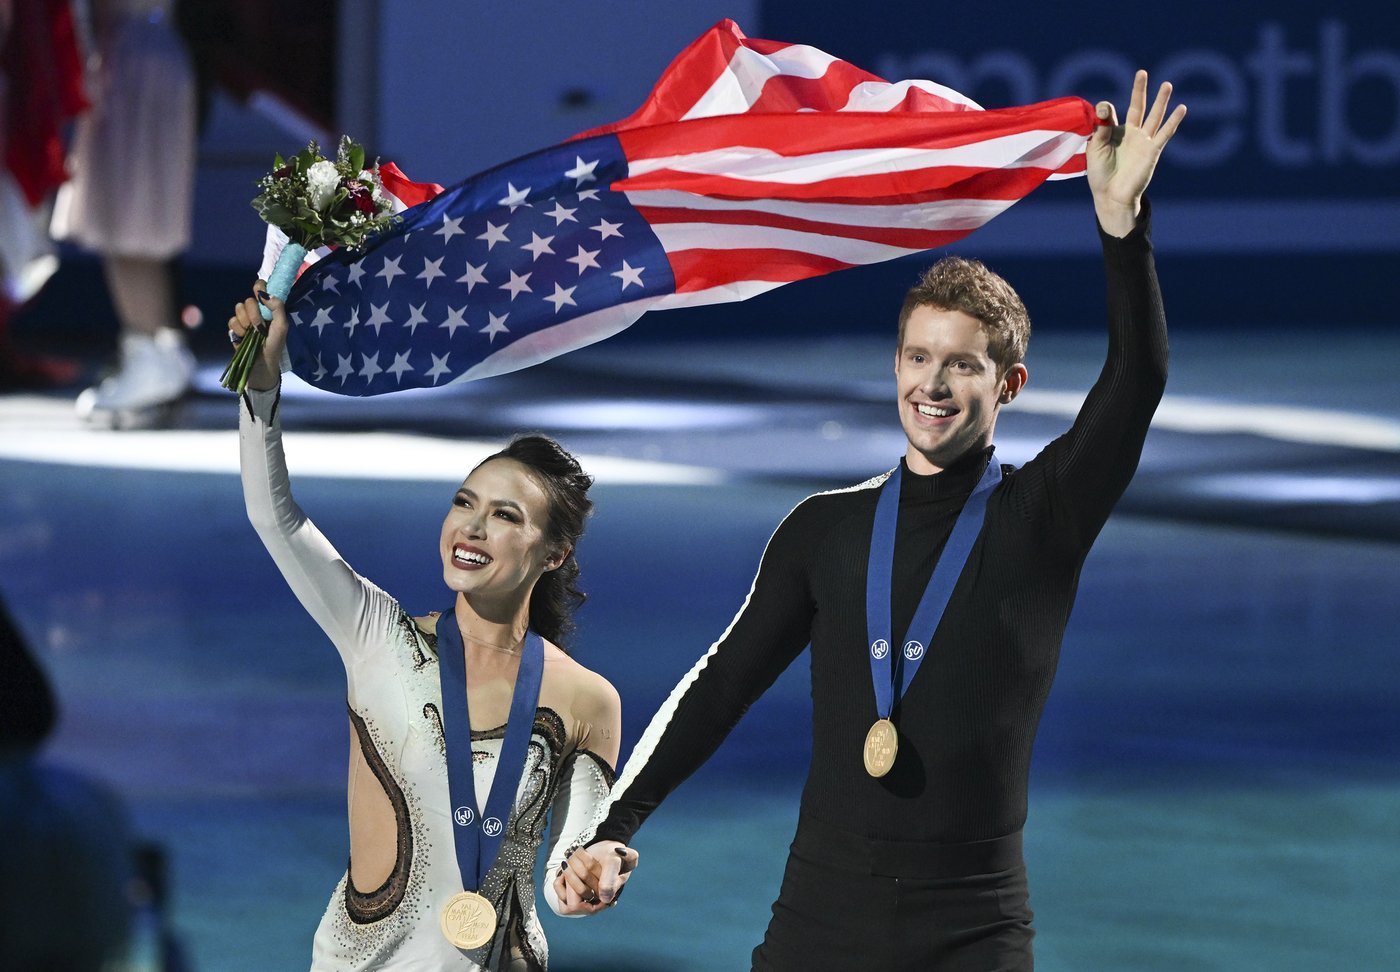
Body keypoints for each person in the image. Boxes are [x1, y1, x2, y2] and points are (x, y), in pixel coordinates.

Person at [572, 71, 1187, 970]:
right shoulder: (824, 531)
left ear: (1009, 385)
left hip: (973, 925)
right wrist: (613, 827)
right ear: (894, 365)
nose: (933, 384)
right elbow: (723, 682)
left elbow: (1137, 380)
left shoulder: (1043, 515)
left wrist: (1121, 227)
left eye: (962, 365)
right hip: (821, 916)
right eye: (917, 357)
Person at [228, 288, 631, 970]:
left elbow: (567, 875)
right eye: (464, 503)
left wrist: (590, 874)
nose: (471, 527)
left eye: (505, 516)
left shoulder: (589, 699)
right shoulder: (379, 638)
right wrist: (261, 391)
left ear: (553, 554)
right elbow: (276, 518)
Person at [51, 0, 198, 425]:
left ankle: (150, 353)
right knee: (135, 215)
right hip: (148, 53)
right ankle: (157, 350)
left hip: (133, 63)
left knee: (128, 218)